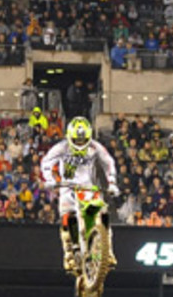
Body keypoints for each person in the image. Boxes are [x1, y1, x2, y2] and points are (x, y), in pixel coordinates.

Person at [40, 116, 120, 275]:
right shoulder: (61, 147)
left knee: (102, 213)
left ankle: (108, 250)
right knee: (67, 215)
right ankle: (69, 253)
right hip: (67, 187)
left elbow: (109, 163)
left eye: (83, 140)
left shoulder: (95, 147)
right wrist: (50, 179)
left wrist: (112, 182)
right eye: (76, 140)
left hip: (89, 187)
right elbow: (46, 162)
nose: (80, 143)